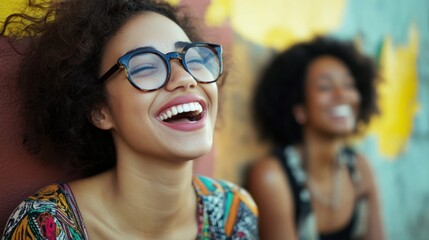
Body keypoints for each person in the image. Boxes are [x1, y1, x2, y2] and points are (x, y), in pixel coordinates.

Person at [0, 0, 258, 239]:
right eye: (145, 67)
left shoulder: (234, 213)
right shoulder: (45, 226)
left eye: (194, 58)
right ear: (100, 110)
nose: (186, 78)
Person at [246, 37, 385, 240]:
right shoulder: (272, 177)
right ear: (299, 109)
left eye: (348, 85)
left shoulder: (360, 169)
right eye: (325, 87)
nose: (342, 95)